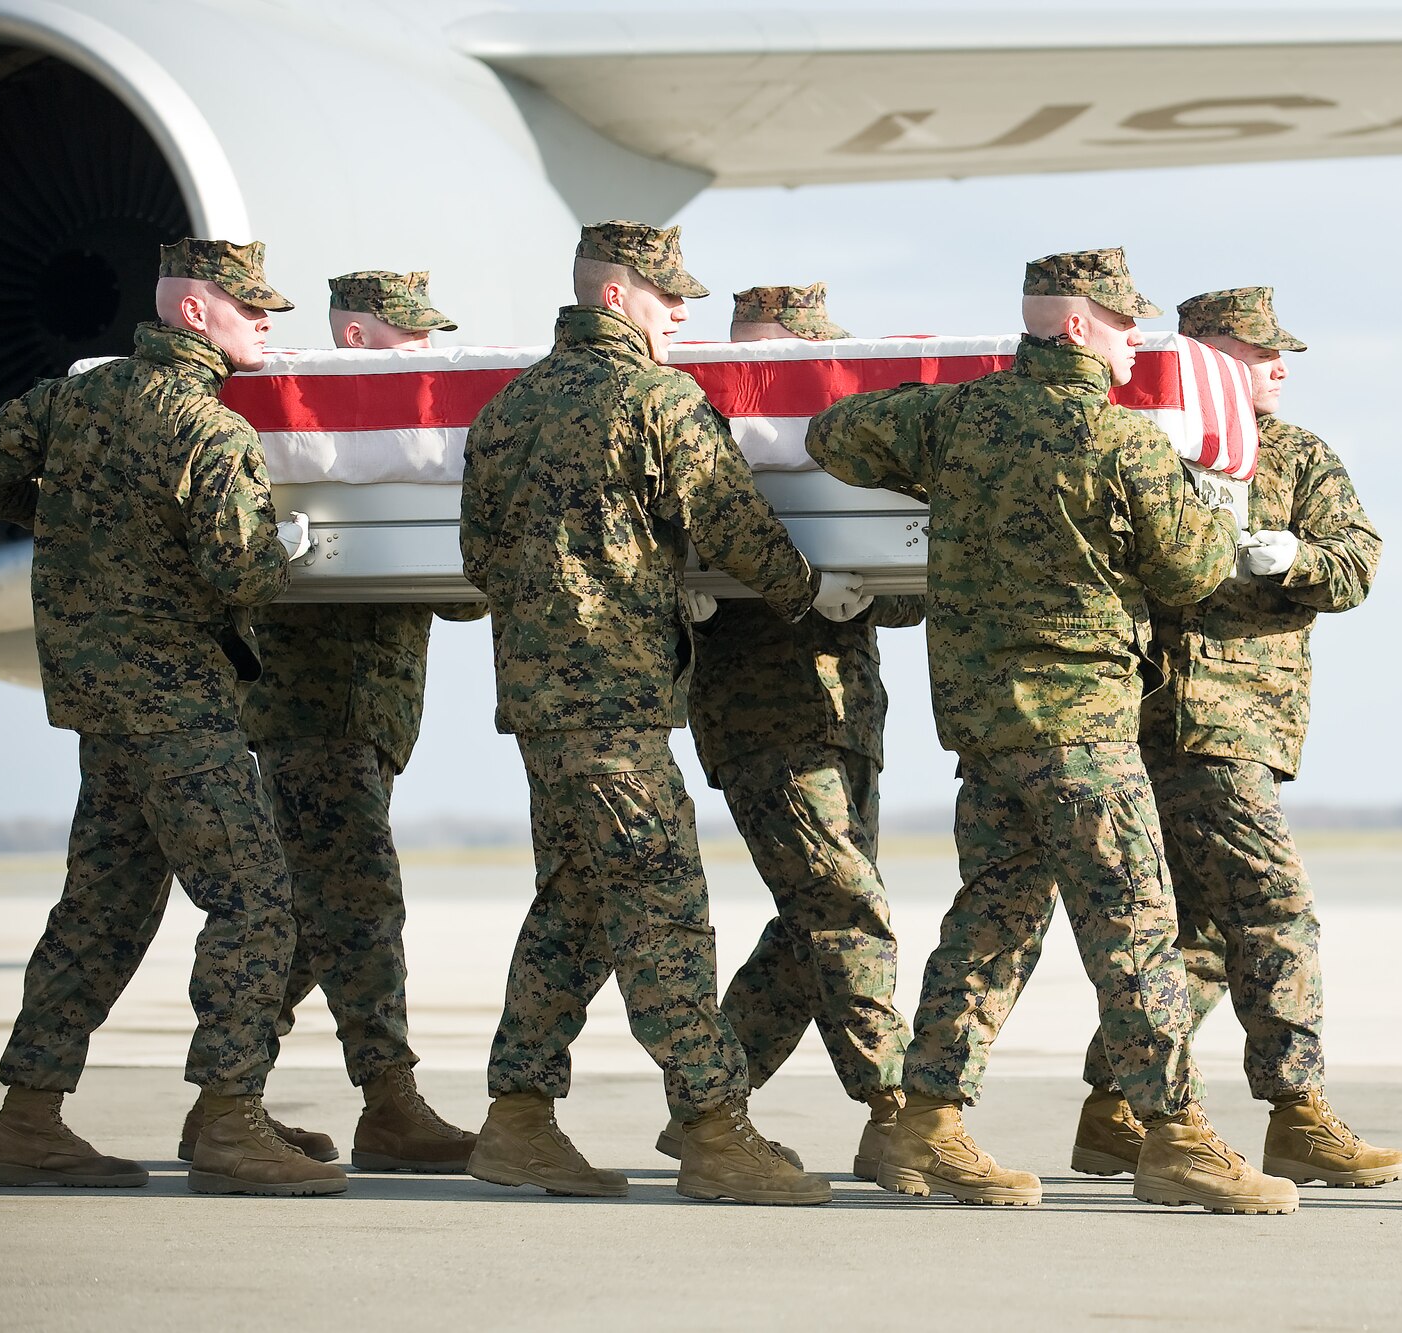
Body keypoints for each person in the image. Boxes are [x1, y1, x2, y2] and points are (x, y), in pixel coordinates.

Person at [808, 247, 1294, 1214]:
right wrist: (1206, 499)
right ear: (1075, 324)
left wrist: (946, 481)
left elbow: (831, 435)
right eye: (1121, 325)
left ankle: (926, 1125)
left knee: (993, 922)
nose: (1133, 346)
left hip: (985, 728)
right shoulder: (1124, 444)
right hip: (1083, 729)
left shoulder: (953, 418)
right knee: (1138, 929)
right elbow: (1197, 570)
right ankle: (1175, 1139)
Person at [459, 220, 863, 1205]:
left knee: (577, 907)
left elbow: (477, 560)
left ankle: (516, 1116)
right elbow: (736, 529)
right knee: (664, 915)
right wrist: (816, 588)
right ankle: (716, 1126)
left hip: (539, 706)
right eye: (662, 291)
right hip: (616, 707)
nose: (680, 308)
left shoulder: (504, 411)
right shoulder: (656, 400)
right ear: (612, 297)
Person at [0, 238, 343, 1196]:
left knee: (101, 910)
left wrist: (67, 520)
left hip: (97, 702)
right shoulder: (210, 431)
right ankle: (227, 1118)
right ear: (195, 313)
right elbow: (244, 571)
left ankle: (28, 1116)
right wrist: (296, 552)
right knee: (256, 901)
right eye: (252, 310)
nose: (267, 325)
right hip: (178, 706)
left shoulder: (71, 400)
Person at [1069, 286, 1402, 1189]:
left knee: (1201, 930)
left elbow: (1359, 561)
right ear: (1205, 355)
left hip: (1247, 722)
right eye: (1259, 352)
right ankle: (1298, 1114)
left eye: (1279, 352)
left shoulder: (1298, 455)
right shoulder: (1139, 436)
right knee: (1275, 911)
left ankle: (1113, 1111)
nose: (1279, 366)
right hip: (1176, 721)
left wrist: (1298, 559)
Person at [205, 270, 481, 1175]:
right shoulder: (307, 430)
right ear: (356, 339)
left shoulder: (394, 442)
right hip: (313, 715)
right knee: (359, 903)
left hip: (371, 719)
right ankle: (388, 1105)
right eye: (409, 338)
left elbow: (457, 596)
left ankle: (225, 1097)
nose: (428, 354)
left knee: (310, 917)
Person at [655, 282, 919, 1181]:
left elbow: (898, 597)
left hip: (845, 715)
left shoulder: (827, 439)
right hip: (764, 718)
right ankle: (898, 1111)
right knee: (845, 912)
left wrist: (877, 573)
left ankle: (708, 1098)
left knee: (808, 923)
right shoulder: (705, 429)